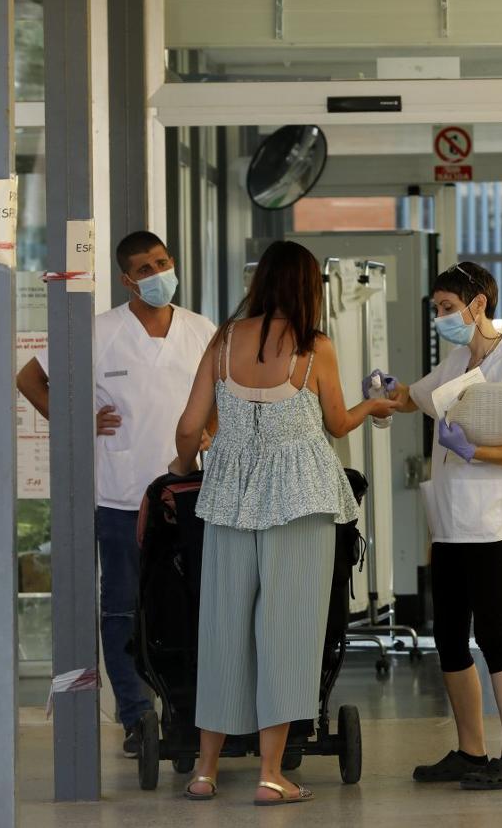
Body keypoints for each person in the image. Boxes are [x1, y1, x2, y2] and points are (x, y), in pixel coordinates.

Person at [172, 241, 398, 805]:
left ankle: (205, 770)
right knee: (287, 630)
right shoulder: (312, 347)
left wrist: (185, 466)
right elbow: (339, 423)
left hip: (229, 497)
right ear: (307, 288)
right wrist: (375, 407)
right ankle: (271, 776)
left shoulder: (224, 341)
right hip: (300, 499)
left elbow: (188, 425)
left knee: (222, 627)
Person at [15, 230, 215, 759]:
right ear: (127, 280)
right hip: (122, 498)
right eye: (145, 269)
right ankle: (135, 715)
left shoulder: (202, 331)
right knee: (123, 609)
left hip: (189, 495)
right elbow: (30, 379)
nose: (157, 275)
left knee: (192, 605)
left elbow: (219, 398)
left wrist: (212, 429)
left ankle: (190, 713)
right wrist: (75, 419)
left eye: (163, 262)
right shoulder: (98, 332)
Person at [387, 261, 502, 791]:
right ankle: (471, 752)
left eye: (448, 308)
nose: (441, 318)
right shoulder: (456, 359)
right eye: (436, 310)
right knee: (449, 638)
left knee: (494, 635)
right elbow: (415, 396)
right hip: (450, 518)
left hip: (490, 520)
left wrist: (474, 450)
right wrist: (390, 390)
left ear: (478, 306)